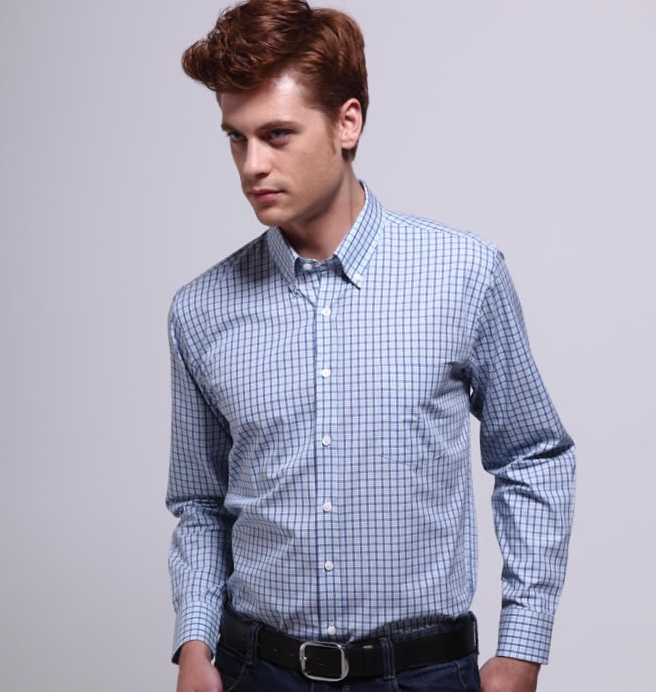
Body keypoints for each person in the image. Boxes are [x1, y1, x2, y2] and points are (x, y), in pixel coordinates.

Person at [166, 1, 576, 690]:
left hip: (422, 675)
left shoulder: (464, 275)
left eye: (277, 134)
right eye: (237, 138)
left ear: (347, 122)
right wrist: (194, 644)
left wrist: (522, 647)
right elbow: (199, 503)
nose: (252, 165)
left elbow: (534, 454)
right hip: (257, 672)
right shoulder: (200, 310)